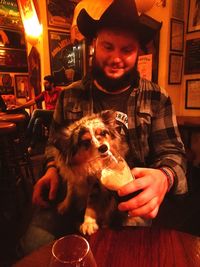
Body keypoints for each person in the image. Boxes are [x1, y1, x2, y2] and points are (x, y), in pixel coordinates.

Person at [18, 0, 188, 256]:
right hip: (72, 195)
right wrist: (52, 170)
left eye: (127, 49)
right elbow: (54, 147)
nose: (116, 58)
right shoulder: (69, 96)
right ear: (95, 43)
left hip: (128, 204)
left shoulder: (156, 97)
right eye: (108, 46)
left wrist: (164, 177)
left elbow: (173, 152)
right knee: (31, 247)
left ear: (138, 51)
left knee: (125, 255)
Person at [23, 75, 61, 153]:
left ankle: (26, 135)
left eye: (46, 83)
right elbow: (33, 101)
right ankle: (31, 146)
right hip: (48, 116)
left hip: (56, 114)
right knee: (38, 120)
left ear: (52, 83)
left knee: (36, 111)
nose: (44, 84)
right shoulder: (44, 93)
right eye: (44, 83)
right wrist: (20, 107)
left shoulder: (59, 91)